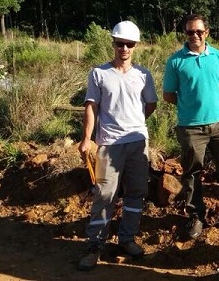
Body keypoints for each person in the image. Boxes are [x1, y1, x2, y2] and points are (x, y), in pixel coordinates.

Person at [163, 14, 219, 239]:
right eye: (189, 32)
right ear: (185, 34)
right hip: (190, 128)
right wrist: (190, 106)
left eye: (199, 31)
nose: (194, 35)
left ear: (207, 33)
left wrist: (209, 106)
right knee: (193, 172)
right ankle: (195, 216)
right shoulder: (175, 61)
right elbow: (168, 95)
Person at [77, 21, 158, 271]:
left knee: (136, 193)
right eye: (120, 43)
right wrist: (87, 138)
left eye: (129, 44)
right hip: (108, 144)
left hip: (137, 143)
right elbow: (92, 107)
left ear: (135, 46)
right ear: (113, 43)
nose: (124, 48)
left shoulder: (143, 75)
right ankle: (95, 244)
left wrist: (135, 122)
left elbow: (151, 105)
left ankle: (127, 239)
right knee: (104, 194)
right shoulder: (99, 74)